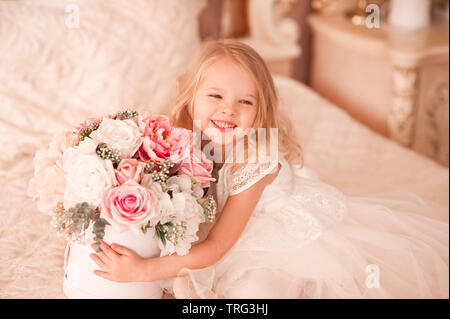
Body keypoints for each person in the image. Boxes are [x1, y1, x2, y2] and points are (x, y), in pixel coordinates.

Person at [89, 39, 449, 298]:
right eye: (216, 96)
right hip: (223, 232)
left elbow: (217, 247)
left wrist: (143, 271)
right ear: (190, 98)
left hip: (275, 238)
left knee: (255, 292)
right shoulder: (178, 139)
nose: (229, 110)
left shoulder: (256, 163)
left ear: (261, 113)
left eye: (245, 101)